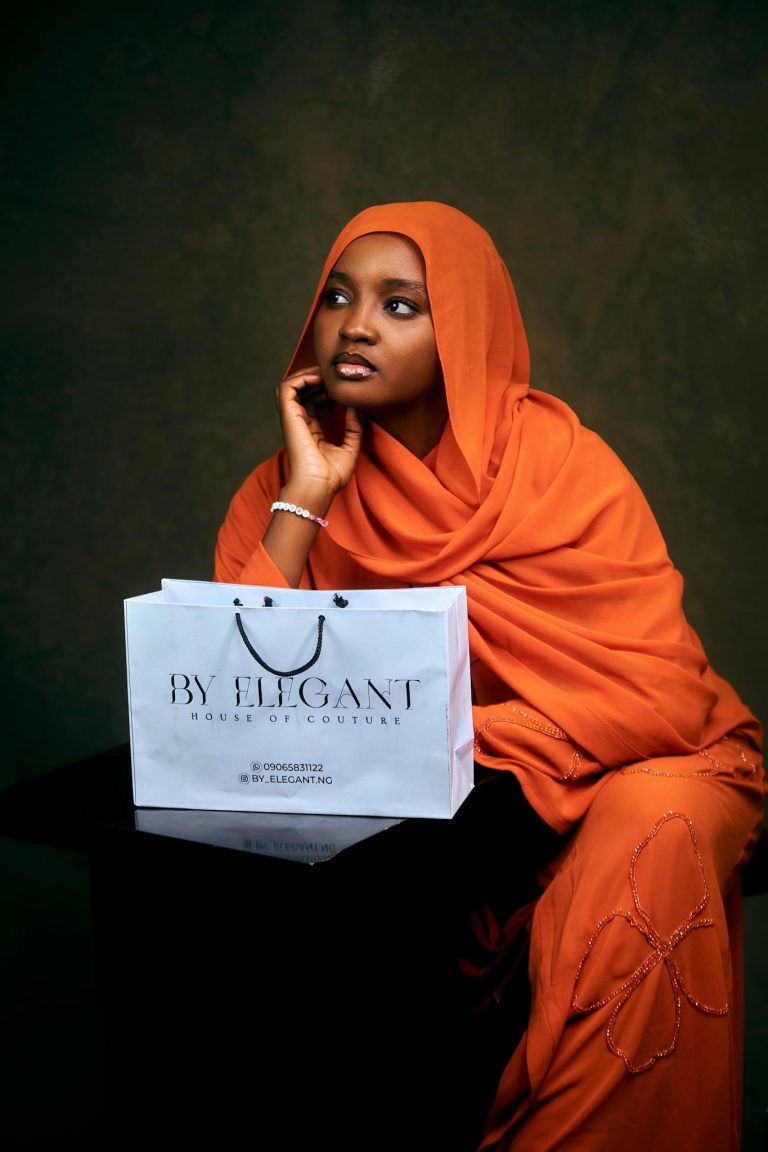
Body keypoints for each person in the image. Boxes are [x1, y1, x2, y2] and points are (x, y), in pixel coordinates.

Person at [214, 201, 765, 1150]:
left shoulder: (563, 468)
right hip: (449, 826)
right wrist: (308, 495)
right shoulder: (277, 489)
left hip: (650, 763)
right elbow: (230, 705)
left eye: (401, 305)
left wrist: (483, 743)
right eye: (338, 297)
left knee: (654, 826)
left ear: (462, 326)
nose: (355, 324)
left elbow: (659, 694)